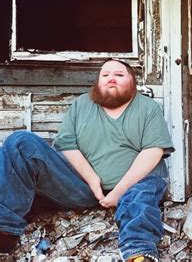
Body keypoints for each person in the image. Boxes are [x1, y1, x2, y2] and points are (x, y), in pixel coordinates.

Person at [0, 59, 174, 261]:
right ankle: (4, 230)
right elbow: (67, 145)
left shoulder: (147, 108)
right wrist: (93, 181)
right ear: (98, 81)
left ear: (132, 81)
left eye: (119, 75)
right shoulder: (82, 104)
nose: (111, 79)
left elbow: (153, 151)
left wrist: (118, 192)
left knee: (140, 199)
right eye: (105, 75)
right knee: (20, 143)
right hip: (85, 186)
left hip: (135, 183)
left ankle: (138, 252)